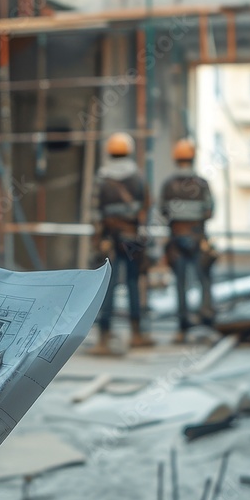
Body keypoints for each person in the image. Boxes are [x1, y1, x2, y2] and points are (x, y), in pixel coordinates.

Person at [90, 131, 151, 354]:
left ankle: (104, 339)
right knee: (134, 283)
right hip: (132, 239)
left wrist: (98, 239)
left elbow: (95, 211)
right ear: (129, 151)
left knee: (108, 286)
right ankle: (136, 333)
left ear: (109, 152)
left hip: (110, 240)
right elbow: (145, 208)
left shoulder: (102, 177)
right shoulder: (138, 177)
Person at [160, 139, 216, 343]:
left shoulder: (168, 185)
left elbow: (163, 211)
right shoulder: (202, 184)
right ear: (193, 158)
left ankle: (183, 327)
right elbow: (209, 211)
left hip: (176, 240)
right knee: (204, 281)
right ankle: (206, 323)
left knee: (181, 284)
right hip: (198, 238)